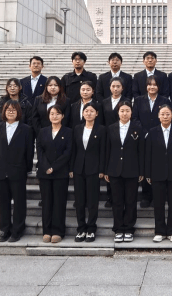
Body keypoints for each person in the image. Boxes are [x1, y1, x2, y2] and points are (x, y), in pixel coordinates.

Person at [0, 100, 34, 243]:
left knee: (19, 202)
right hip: (1, 170)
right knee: (3, 202)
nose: (10, 111)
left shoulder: (26, 129)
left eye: (13, 109)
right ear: (3, 112)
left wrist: (27, 168)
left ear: (18, 112)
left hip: (18, 170)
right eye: (8, 109)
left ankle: (17, 230)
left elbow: (29, 152)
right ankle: (5, 229)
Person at [105, 101, 144, 243]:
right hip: (114, 170)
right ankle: (118, 228)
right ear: (118, 112)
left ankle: (128, 228)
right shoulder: (111, 128)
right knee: (117, 201)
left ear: (131, 112)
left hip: (132, 170)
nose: (124, 113)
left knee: (131, 200)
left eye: (127, 110)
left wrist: (141, 170)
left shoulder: (137, 128)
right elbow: (107, 150)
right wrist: (106, 170)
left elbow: (141, 151)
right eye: (122, 110)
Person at [145, 104, 172, 243]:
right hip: (157, 173)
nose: (165, 116)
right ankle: (160, 231)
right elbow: (148, 154)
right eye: (162, 114)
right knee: (158, 204)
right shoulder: (152, 132)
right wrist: (148, 173)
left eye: (168, 114)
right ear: (158, 116)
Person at [36, 104, 73, 243]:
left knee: (59, 202)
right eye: (52, 114)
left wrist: (54, 167)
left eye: (57, 114)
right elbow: (40, 150)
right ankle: (47, 231)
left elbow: (68, 152)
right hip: (44, 172)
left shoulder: (68, 132)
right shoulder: (43, 131)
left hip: (60, 172)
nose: (54, 116)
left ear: (62, 116)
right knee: (46, 202)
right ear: (48, 116)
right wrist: (46, 166)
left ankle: (58, 231)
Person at [70, 103, 106, 243]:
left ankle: (91, 228)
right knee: (79, 201)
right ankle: (81, 228)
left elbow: (103, 150)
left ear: (96, 113)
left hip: (94, 169)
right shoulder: (77, 129)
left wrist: (102, 169)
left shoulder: (101, 129)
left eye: (92, 111)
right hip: (78, 169)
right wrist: (71, 168)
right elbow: (73, 149)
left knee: (92, 200)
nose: (89, 113)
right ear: (83, 113)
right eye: (86, 111)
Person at [132, 76, 169, 208]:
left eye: (155, 85)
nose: (152, 87)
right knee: (146, 164)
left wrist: (156, 132)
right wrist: (144, 132)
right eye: (150, 84)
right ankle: (146, 195)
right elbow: (135, 118)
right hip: (144, 137)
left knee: (158, 164)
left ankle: (158, 195)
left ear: (158, 86)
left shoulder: (164, 100)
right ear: (146, 86)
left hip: (159, 136)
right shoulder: (138, 100)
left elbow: (166, 116)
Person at [100, 76, 130, 208]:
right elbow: (101, 120)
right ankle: (110, 196)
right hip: (108, 135)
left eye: (118, 86)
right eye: (113, 86)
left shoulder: (126, 101)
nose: (116, 89)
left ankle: (123, 198)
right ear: (110, 88)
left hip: (123, 136)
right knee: (110, 165)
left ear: (122, 88)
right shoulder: (104, 102)